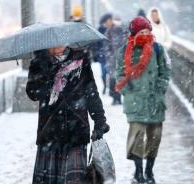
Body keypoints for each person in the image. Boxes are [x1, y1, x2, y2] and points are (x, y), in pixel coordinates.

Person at [26, 46, 109, 184]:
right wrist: (46, 71)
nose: (58, 46)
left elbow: (91, 93)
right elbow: (33, 94)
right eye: (53, 43)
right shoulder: (38, 63)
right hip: (49, 133)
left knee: (75, 180)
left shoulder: (81, 60)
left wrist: (100, 121)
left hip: (76, 130)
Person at [115, 17, 170, 184]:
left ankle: (149, 170)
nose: (146, 34)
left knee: (155, 136)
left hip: (154, 100)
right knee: (136, 137)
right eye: (142, 31)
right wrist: (128, 92)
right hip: (136, 101)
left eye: (148, 31)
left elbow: (165, 72)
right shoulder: (125, 50)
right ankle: (138, 172)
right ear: (135, 33)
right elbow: (119, 75)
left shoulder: (158, 49)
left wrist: (160, 89)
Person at [104, 14, 127, 104]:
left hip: (122, 60)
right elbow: (106, 45)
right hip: (112, 60)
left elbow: (127, 44)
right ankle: (114, 97)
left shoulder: (124, 31)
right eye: (116, 20)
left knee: (120, 79)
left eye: (118, 20)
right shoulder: (109, 31)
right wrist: (110, 55)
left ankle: (119, 97)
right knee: (113, 79)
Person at [94, 13, 113, 95]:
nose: (111, 22)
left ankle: (110, 88)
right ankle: (105, 86)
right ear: (106, 21)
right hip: (102, 55)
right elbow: (96, 43)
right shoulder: (100, 29)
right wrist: (97, 52)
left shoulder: (113, 29)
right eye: (109, 20)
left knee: (111, 73)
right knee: (103, 73)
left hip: (111, 55)